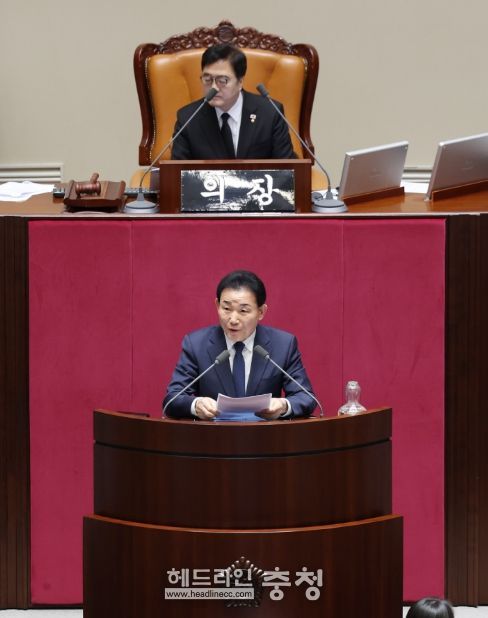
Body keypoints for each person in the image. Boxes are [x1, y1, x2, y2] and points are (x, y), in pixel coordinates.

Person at [163, 270, 316, 420]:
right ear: (217, 305)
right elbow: (172, 398)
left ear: (261, 312)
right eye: (226, 308)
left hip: (265, 435)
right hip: (212, 434)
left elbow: (306, 397)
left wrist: (283, 406)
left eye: (243, 311)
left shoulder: (283, 345)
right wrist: (196, 404)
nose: (233, 319)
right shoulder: (196, 345)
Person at [170, 44, 296, 160]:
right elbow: (177, 172)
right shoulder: (188, 118)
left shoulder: (270, 113)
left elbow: (288, 168)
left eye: (222, 80)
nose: (214, 87)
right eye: (207, 79)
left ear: (240, 82)